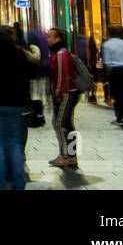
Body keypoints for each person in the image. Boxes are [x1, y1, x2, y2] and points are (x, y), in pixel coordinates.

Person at [0, 24, 30, 189]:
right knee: (15, 144)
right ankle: (18, 182)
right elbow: (27, 76)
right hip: (14, 103)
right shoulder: (18, 54)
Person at [48, 27, 81, 167]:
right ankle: (71, 155)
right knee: (67, 124)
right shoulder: (60, 53)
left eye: (50, 37)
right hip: (69, 93)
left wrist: (59, 94)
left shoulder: (61, 54)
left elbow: (63, 75)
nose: (48, 39)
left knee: (60, 123)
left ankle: (66, 155)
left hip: (67, 93)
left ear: (58, 39)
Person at [100, 25, 123, 126]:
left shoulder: (107, 44)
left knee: (117, 95)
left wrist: (107, 76)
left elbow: (107, 61)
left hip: (115, 70)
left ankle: (120, 117)